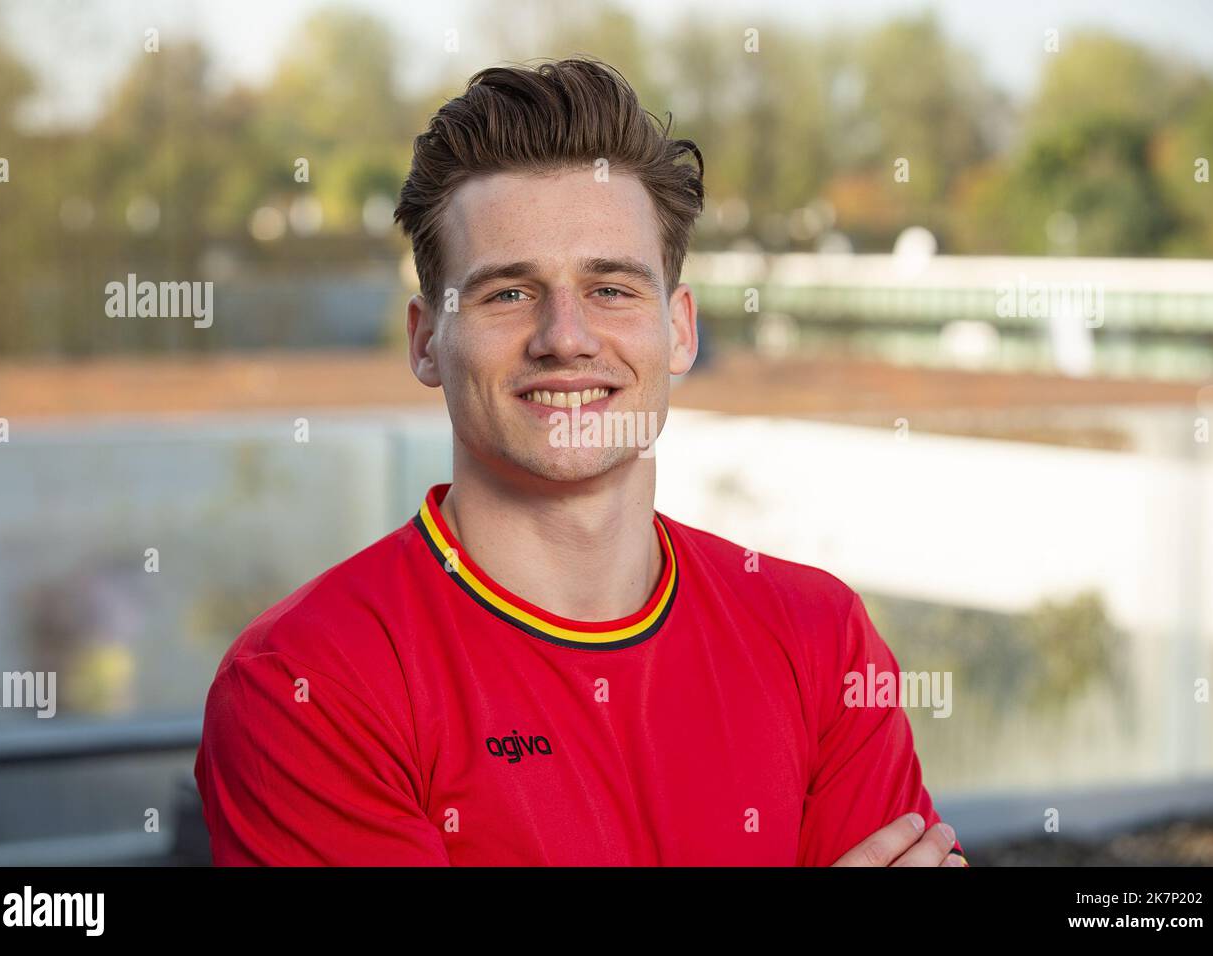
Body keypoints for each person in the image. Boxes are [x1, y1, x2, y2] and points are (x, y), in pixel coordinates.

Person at [194, 56, 967, 867]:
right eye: (507, 293)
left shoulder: (820, 639)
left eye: (612, 289)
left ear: (679, 331)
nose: (565, 336)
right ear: (427, 340)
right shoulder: (308, 684)